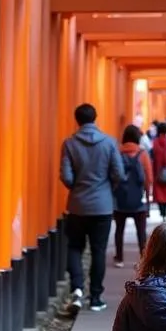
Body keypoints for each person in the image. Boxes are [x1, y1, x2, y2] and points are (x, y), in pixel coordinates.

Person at [59, 103, 126, 314]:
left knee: (75, 247)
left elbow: (66, 176)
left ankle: (77, 289)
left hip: (77, 205)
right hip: (102, 206)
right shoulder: (109, 143)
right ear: (95, 118)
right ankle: (96, 297)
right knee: (98, 251)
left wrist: (78, 187)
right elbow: (119, 173)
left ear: (76, 120)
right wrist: (106, 188)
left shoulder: (70, 144)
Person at [114, 124, 153, 268]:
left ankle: (119, 258)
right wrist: (148, 198)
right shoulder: (142, 154)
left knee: (119, 230)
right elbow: (148, 178)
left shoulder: (118, 153)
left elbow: (114, 175)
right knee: (141, 232)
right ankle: (143, 260)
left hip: (120, 199)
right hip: (139, 199)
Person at [150, 121, 166, 220]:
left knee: (159, 191)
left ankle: (162, 210)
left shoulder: (155, 142)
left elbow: (152, 155)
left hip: (157, 170)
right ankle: (165, 211)